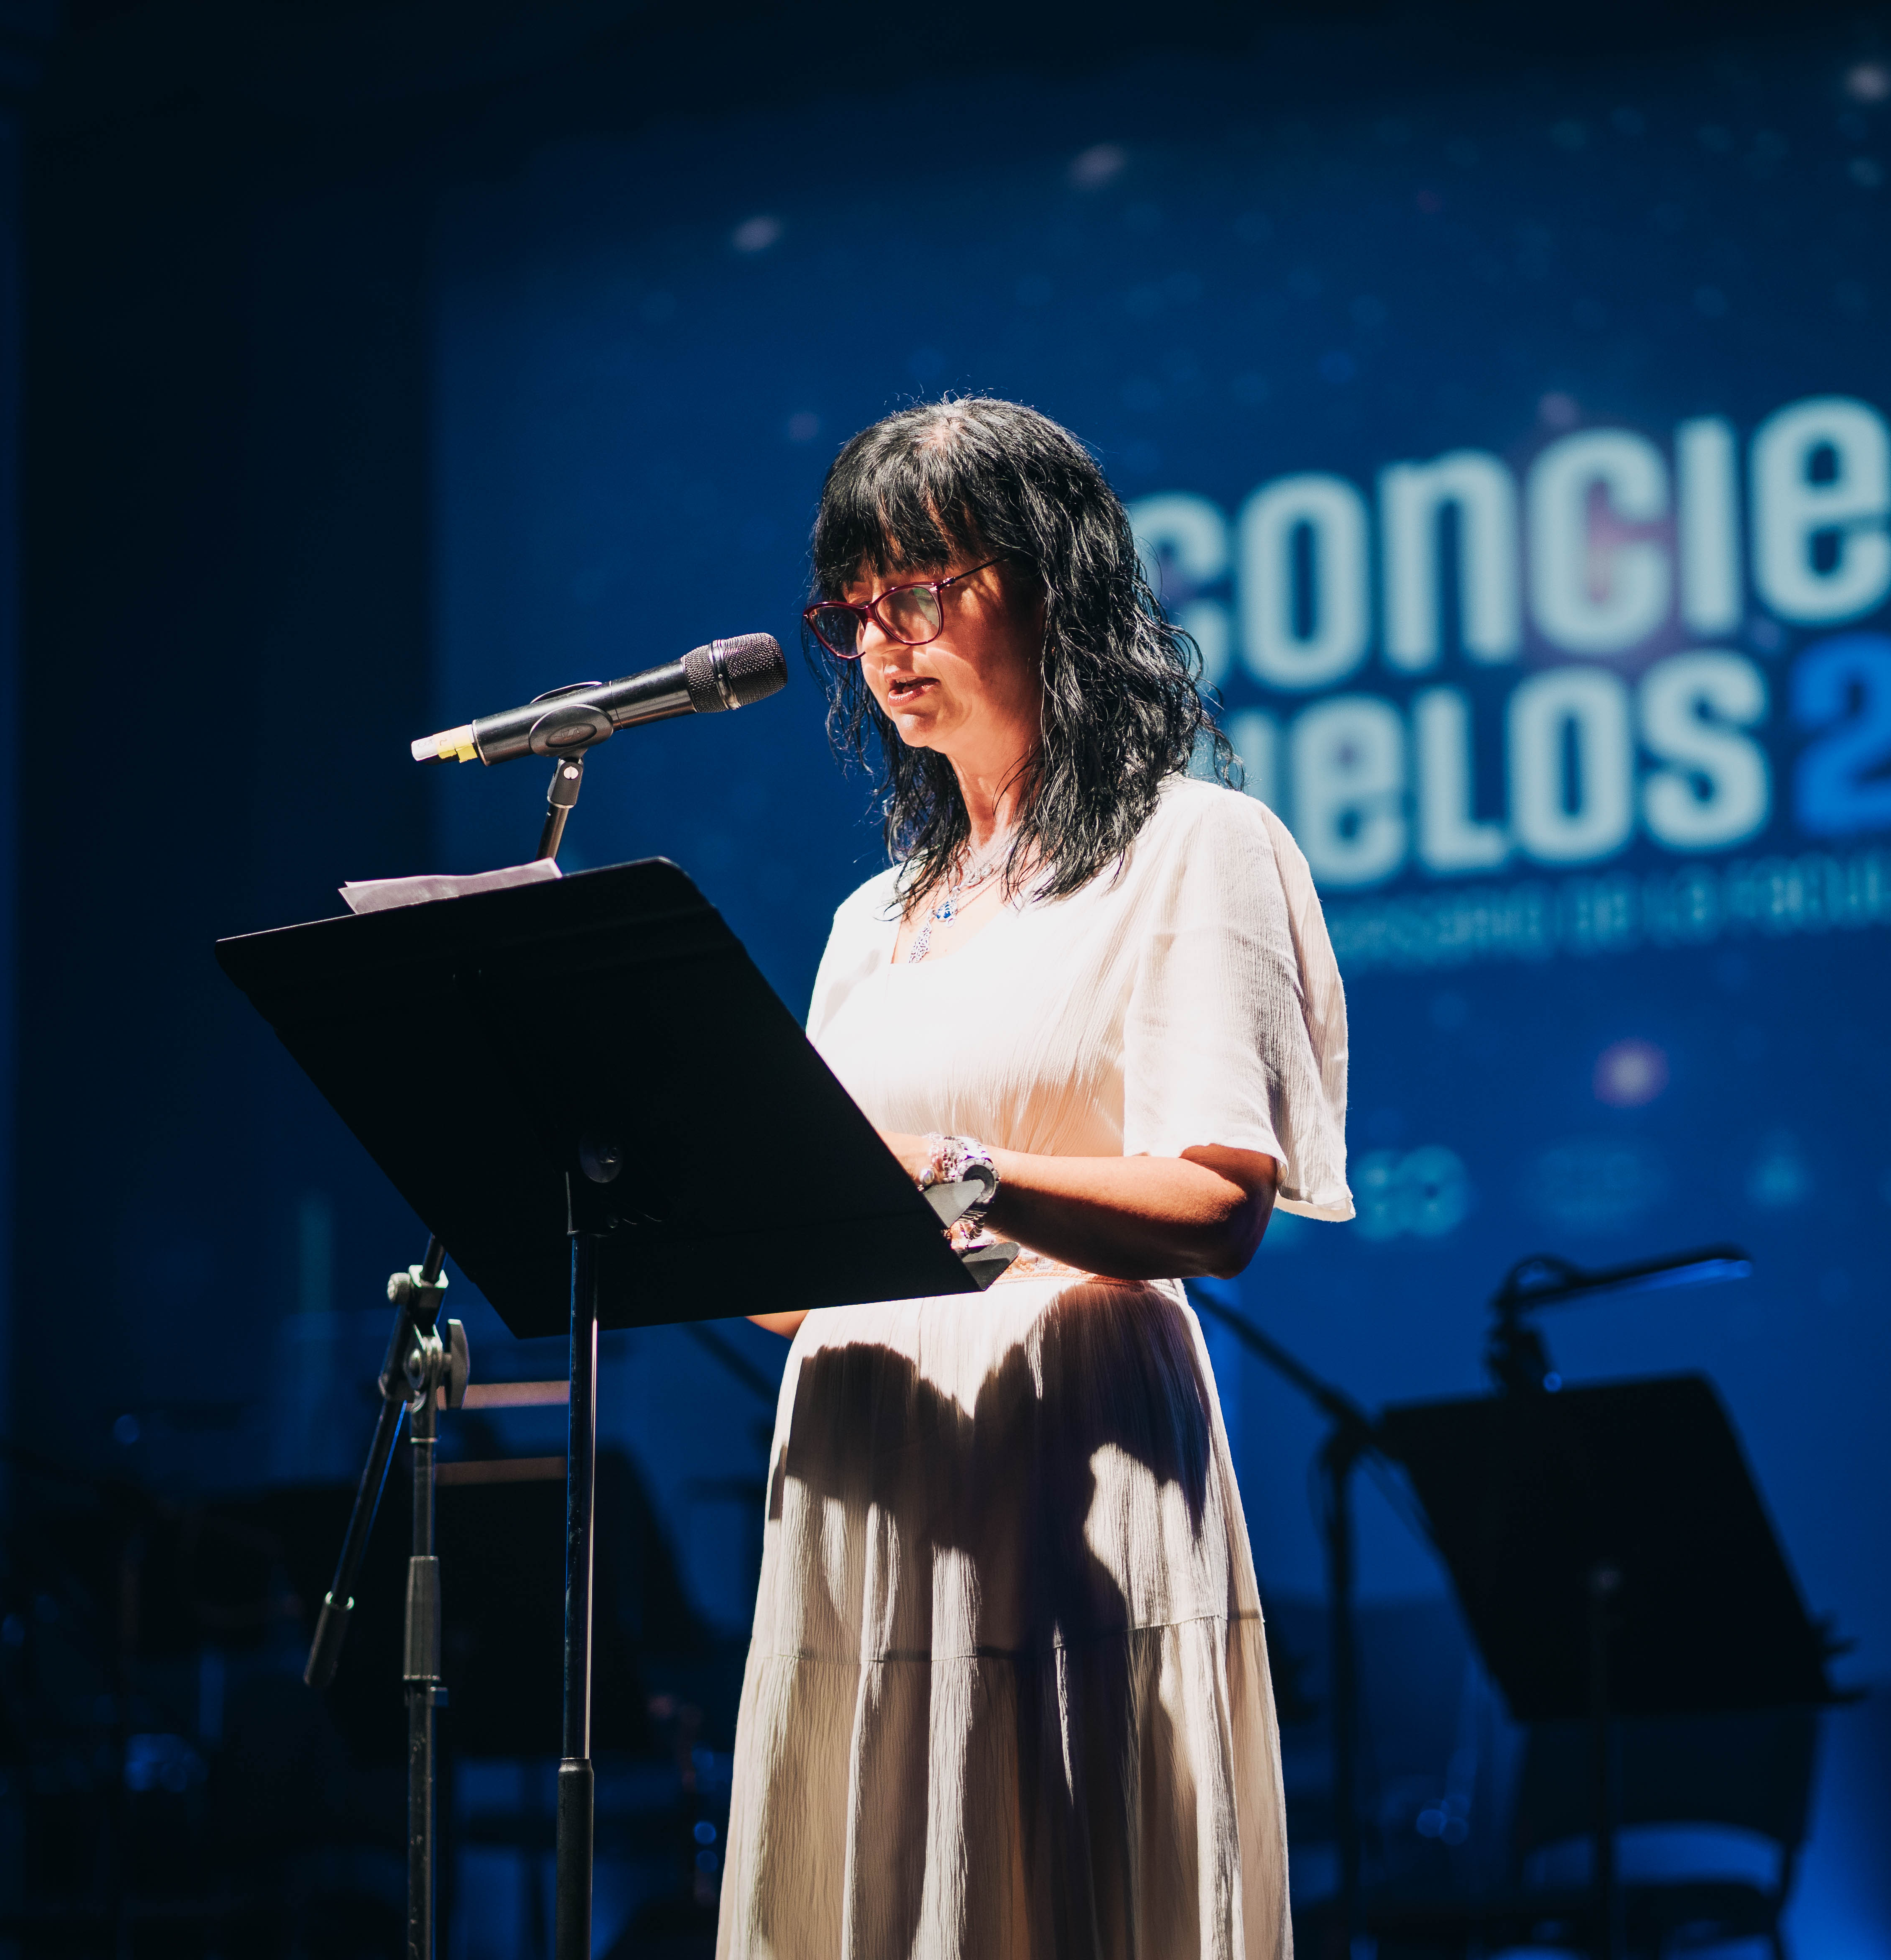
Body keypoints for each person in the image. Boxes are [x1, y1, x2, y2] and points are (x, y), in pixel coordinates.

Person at [716, 397, 1351, 1960]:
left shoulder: (1192, 844)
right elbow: (791, 1296)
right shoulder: (871, 921)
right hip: (867, 1467)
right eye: (854, 607)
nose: (883, 638)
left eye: (922, 587)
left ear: (1052, 583)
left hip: (1069, 1449)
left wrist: (955, 1176)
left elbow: (1218, 1207)